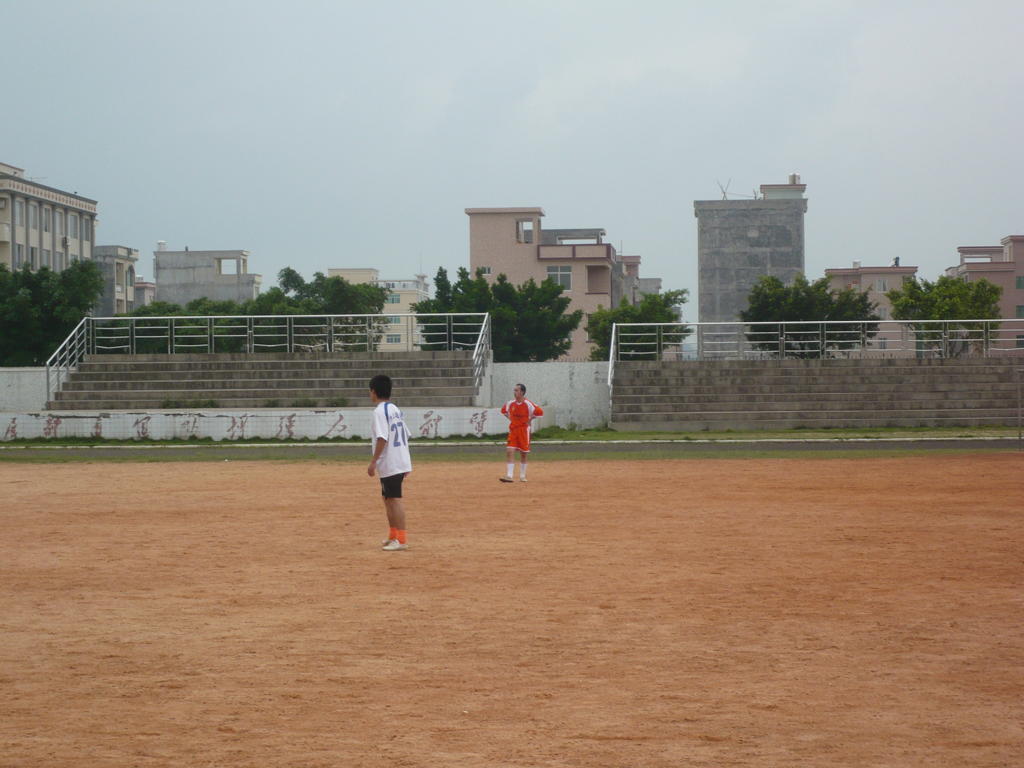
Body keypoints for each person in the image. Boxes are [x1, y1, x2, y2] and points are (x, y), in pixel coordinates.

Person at [367, 374, 412, 551]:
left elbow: (382, 438)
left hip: (392, 462)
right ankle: (393, 536)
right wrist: (405, 460)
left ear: (373, 392)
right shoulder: (395, 409)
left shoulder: (379, 412)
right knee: (388, 499)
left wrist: (373, 461)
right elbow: (406, 435)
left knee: (394, 500)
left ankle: (402, 540)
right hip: (396, 461)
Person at [499, 383, 543, 483]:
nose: (514, 392)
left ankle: (522, 476)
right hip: (513, 430)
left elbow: (539, 411)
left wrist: (530, 419)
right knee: (509, 451)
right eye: (514, 390)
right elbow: (503, 411)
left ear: (522, 392)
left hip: (524, 431)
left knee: (523, 453)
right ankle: (509, 476)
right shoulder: (510, 403)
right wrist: (511, 419)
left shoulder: (528, 403)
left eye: (516, 390)